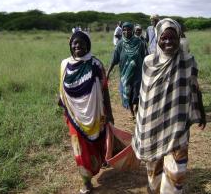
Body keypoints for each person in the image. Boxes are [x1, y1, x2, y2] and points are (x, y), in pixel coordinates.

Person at [132, 18, 206, 194]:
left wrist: (201, 112)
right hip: (153, 123)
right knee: (154, 164)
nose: (168, 42)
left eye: (172, 38)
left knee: (177, 169)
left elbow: (194, 87)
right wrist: (139, 115)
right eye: (164, 38)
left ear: (179, 37)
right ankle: (154, 188)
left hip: (178, 122)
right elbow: (145, 94)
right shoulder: (149, 62)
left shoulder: (188, 60)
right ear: (157, 39)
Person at [58, 31, 114, 194]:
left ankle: (100, 161)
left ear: (87, 45)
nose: (78, 46)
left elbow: (104, 89)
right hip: (73, 115)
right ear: (70, 46)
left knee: (96, 143)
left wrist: (109, 113)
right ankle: (86, 181)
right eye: (74, 43)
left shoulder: (95, 64)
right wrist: (61, 101)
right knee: (78, 149)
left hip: (96, 114)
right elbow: (61, 87)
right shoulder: (64, 64)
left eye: (81, 43)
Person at [107, 22, 148, 118]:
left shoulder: (139, 43)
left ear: (132, 30)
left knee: (137, 91)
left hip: (138, 73)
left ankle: (137, 107)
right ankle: (131, 112)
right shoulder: (120, 44)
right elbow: (114, 59)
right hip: (125, 74)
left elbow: (144, 57)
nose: (126, 31)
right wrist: (108, 73)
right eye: (124, 30)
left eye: (128, 29)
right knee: (127, 92)